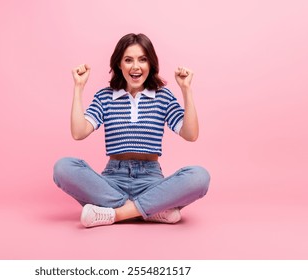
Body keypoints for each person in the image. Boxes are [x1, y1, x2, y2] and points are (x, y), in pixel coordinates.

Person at [53, 33, 210, 228]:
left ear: (150, 64)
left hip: (151, 181)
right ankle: (150, 210)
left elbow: (190, 134)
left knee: (199, 177)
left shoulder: (163, 97)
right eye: (128, 60)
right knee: (63, 167)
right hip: (112, 181)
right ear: (119, 64)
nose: (135, 66)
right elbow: (78, 132)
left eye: (142, 60)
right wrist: (78, 88)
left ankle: (116, 214)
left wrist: (186, 90)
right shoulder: (105, 97)